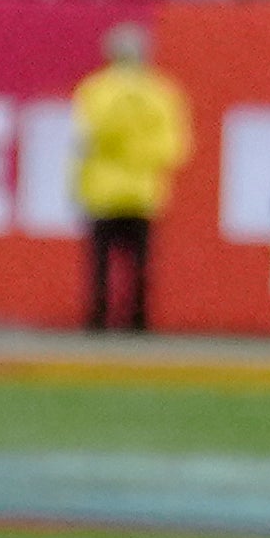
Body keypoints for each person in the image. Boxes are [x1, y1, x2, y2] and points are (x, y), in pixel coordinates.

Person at [69, 23, 191, 333]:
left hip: (102, 189)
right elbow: (174, 147)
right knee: (140, 264)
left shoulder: (95, 90)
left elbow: (85, 140)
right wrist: (138, 153)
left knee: (99, 264)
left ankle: (97, 321)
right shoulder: (162, 92)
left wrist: (77, 183)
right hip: (142, 190)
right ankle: (137, 322)